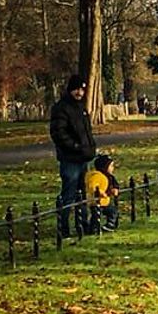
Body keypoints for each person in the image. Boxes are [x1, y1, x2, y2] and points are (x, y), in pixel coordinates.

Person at [49, 74, 96, 238]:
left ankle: (83, 223)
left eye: (82, 89)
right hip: (70, 158)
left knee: (83, 193)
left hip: (82, 157)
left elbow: (86, 132)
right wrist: (74, 147)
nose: (79, 92)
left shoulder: (81, 107)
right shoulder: (62, 108)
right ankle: (63, 226)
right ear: (70, 90)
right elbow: (58, 133)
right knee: (68, 193)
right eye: (76, 89)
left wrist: (89, 147)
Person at [84, 153, 120, 233]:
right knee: (96, 215)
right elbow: (92, 186)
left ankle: (110, 224)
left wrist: (115, 189)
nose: (112, 168)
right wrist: (100, 192)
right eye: (111, 166)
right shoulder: (97, 176)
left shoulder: (110, 177)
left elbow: (115, 185)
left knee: (113, 211)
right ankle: (93, 228)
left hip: (105, 201)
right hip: (96, 201)